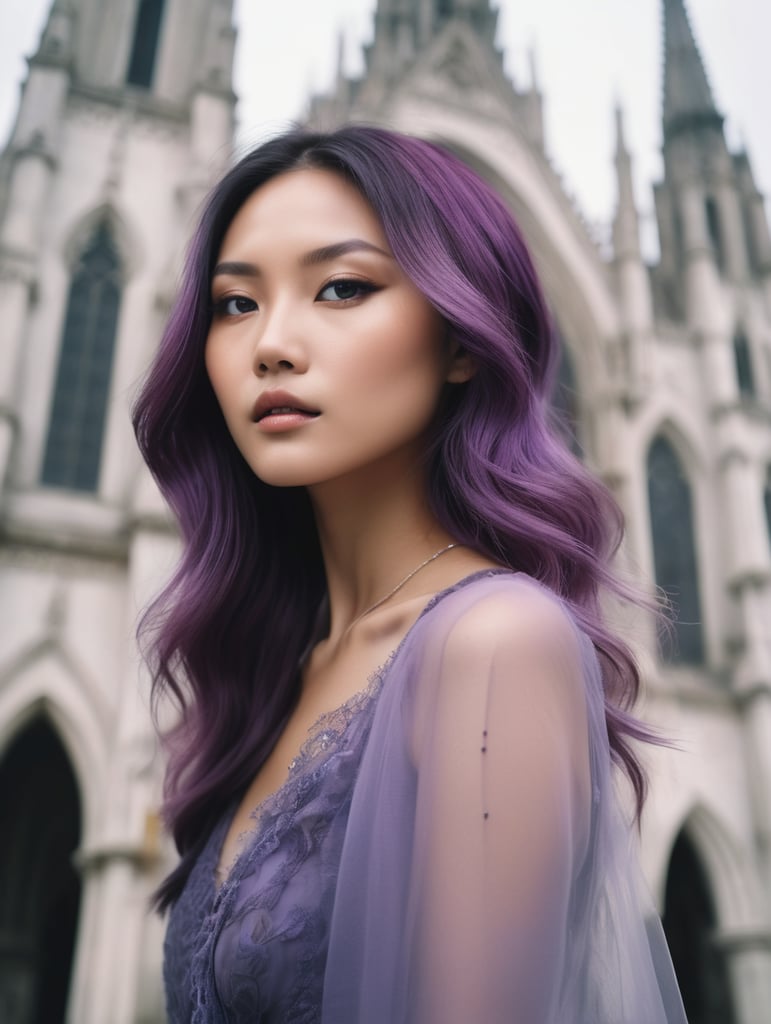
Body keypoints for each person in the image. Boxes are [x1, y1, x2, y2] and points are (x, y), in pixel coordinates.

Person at [132, 125, 687, 1023]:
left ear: (462, 341)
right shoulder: (281, 671)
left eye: (342, 288)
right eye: (236, 303)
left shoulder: (494, 645)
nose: (269, 343)